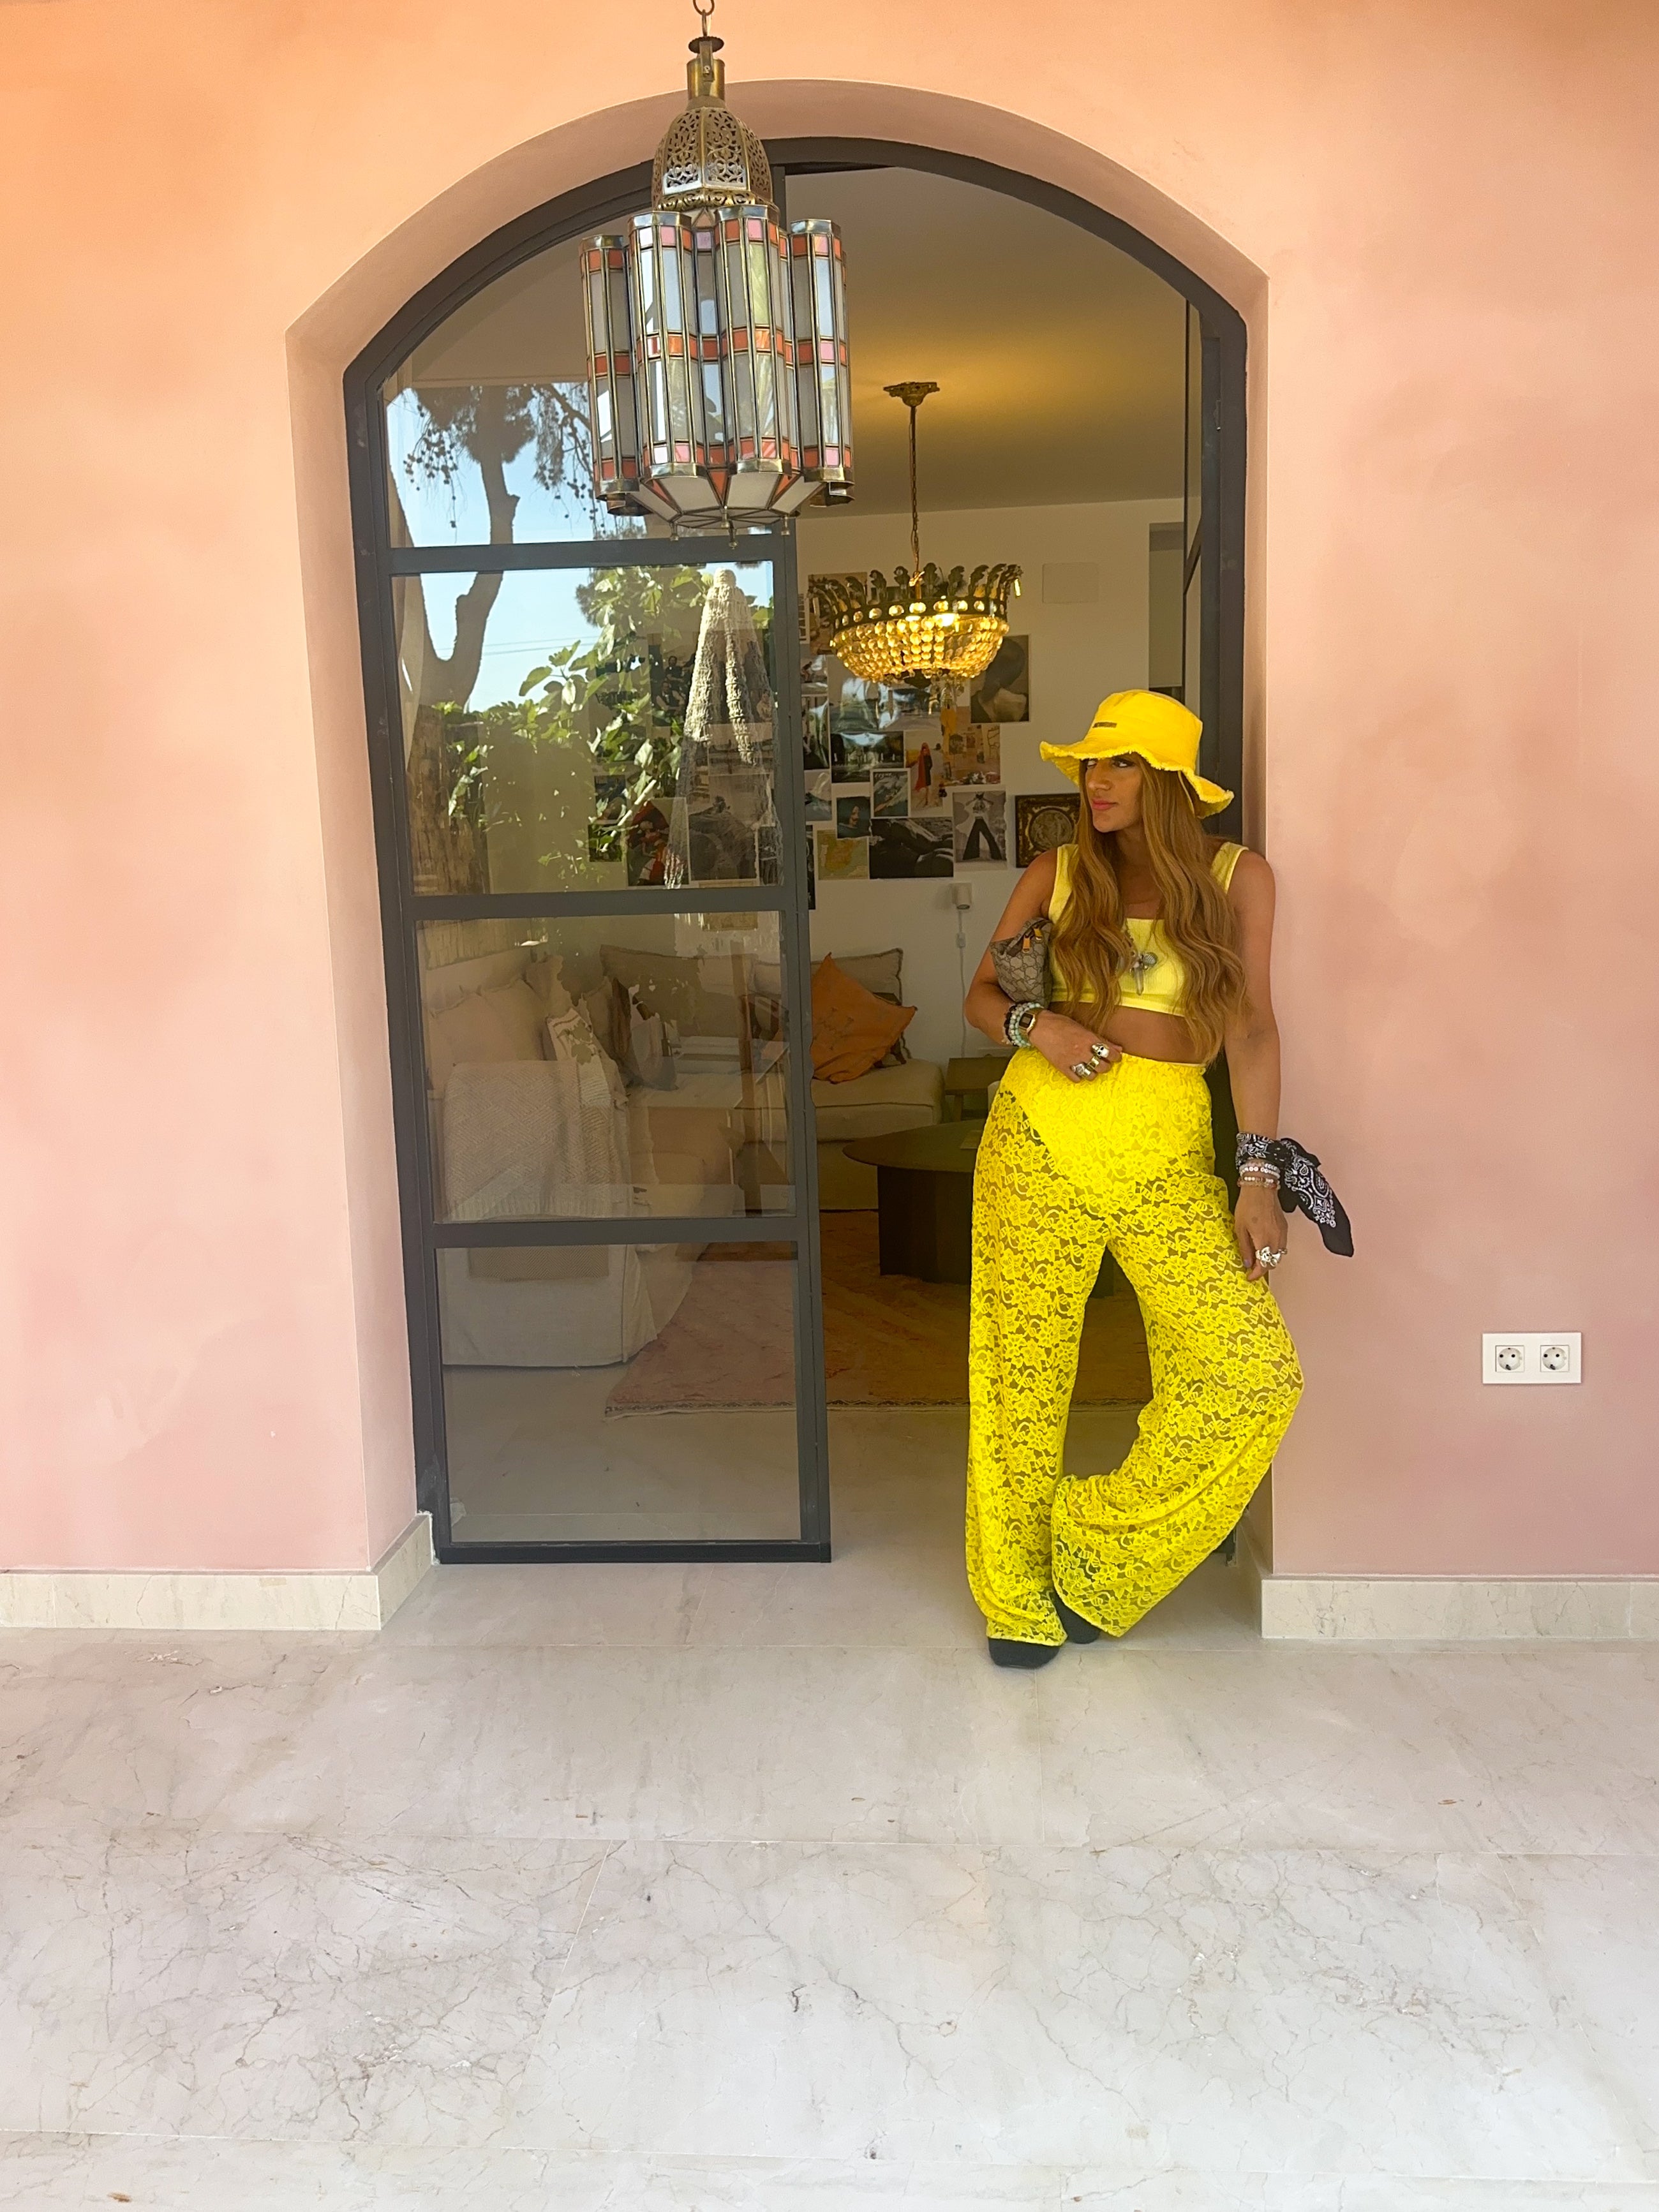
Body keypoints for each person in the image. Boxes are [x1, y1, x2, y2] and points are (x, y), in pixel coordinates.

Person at [961, 689, 1303, 1666]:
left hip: (1166, 1147)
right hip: (1040, 1131)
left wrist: (1258, 1176)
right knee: (1021, 1374)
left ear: (1169, 781)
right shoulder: (1059, 872)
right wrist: (1040, 1025)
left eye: (1119, 764)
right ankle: (1014, 1594)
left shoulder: (1239, 878)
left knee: (1251, 1373)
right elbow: (979, 997)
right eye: (1090, 764)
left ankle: (1098, 1549)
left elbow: (1253, 1031)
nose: (1095, 781)